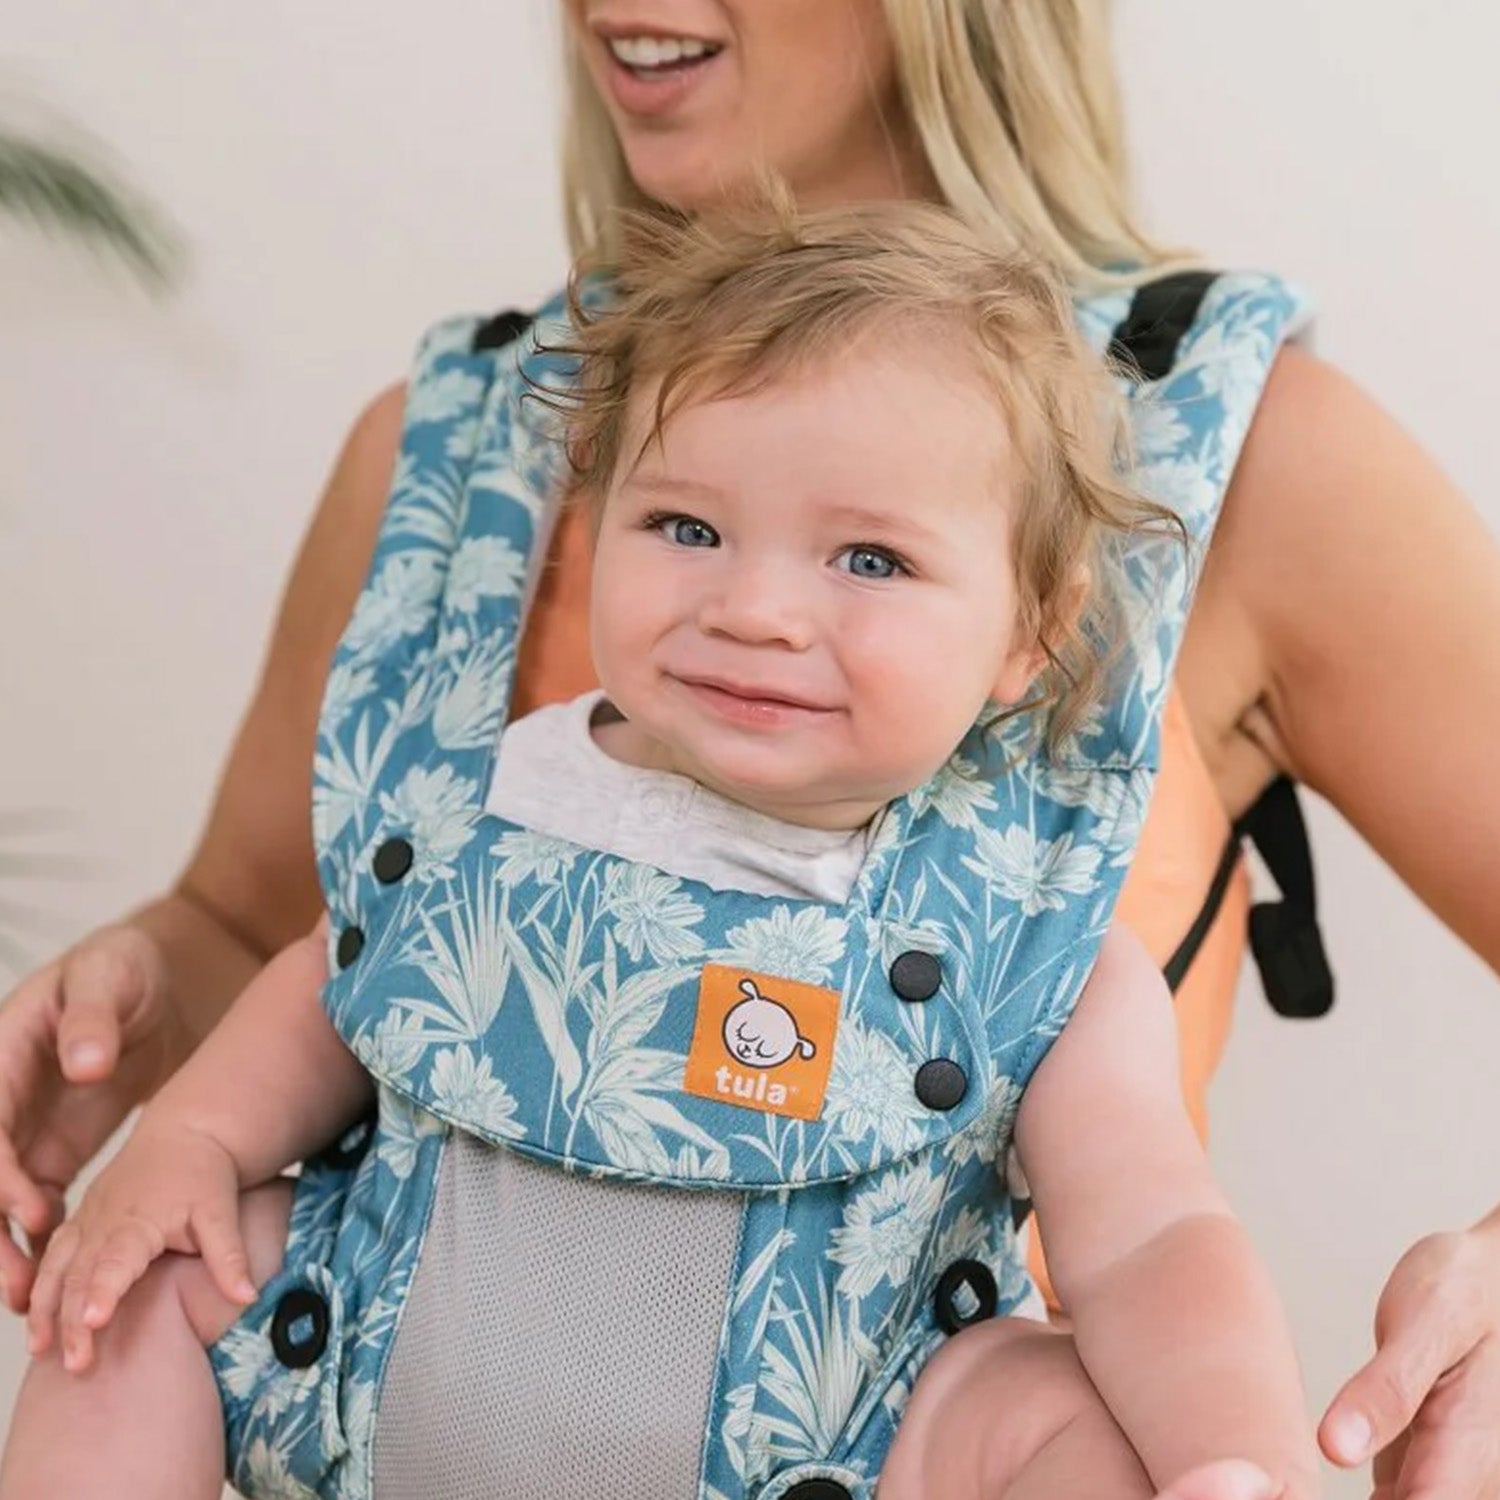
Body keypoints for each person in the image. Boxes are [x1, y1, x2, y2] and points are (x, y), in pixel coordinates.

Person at [0, 2, 1497, 1495]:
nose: (758, 612)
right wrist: (147, 1034)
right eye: (685, 528)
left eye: (870, 561)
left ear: (1034, 631)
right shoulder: (449, 459)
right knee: (125, 1292)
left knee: (1065, 1421)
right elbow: (309, 950)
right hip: (395, 1402)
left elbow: (1160, 1239)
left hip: (857, 1429)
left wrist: (1242, 1457)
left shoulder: (1228, 454)